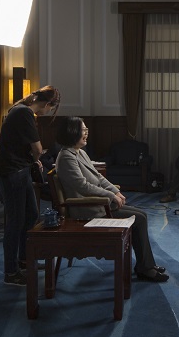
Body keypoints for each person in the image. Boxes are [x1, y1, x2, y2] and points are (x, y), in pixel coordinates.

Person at [55, 117, 168, 282]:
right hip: (87, 209)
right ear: (72, 133)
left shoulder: (80, 152)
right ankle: (146, 267)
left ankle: (145, 265)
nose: (87, 133)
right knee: (140, 218)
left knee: (141, 216)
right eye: (83, 130)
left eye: (87, 129)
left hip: (98, 204)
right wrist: (110, 196)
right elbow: (83, 186)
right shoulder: (66, 157)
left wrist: (115, 191)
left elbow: (99, 177)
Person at [0, 85, 61, 286]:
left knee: (31, 214)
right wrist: (35, 158)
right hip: (12, 173)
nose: (48, 112)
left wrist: (32, 160)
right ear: (48, 104)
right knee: (15, 221)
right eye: (51, 108)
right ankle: (11, 271)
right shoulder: (24, 113)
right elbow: (38, 148)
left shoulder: (21, 111)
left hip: (19, 170)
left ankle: (24, 260)